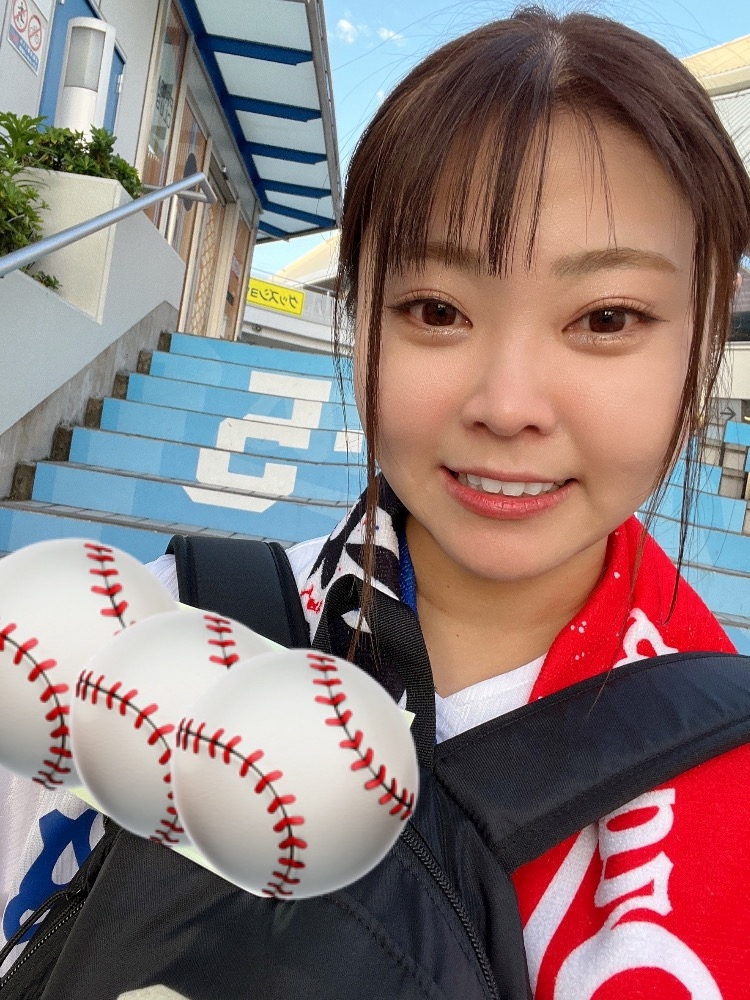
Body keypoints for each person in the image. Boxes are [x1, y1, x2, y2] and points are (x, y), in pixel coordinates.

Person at [2, 6, 750, 997]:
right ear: (361, 320)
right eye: (436, 310)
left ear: (705, 338)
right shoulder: (126, 640)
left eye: (606, 318)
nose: (507, 405)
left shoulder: (726, 778)